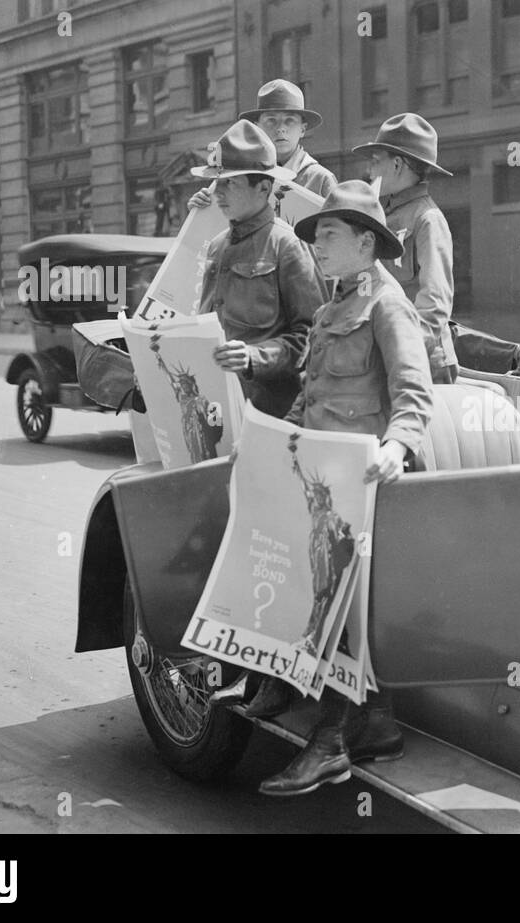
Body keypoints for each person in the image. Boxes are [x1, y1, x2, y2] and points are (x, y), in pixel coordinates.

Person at [250, 180, 433, 797]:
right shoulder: (331, 310)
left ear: (365, 242)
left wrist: (396, 446)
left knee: (334, 604)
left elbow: (414, 394)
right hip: (325, 483)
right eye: (316, 235)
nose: (318, 246)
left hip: (372, 484)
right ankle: (376, 727)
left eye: (328, 235)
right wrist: (284, 441)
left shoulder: (387, 303)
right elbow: (312, 396)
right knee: (324, 600)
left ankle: (328, 745)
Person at [191, 119, 327, 418]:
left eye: (231, 183)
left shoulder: (288, 245)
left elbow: (312, 337)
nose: (218, 193)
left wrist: (254, 357)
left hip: (269, 413)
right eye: (217, 182)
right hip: (217, 410)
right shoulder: (215, 247)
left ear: (264, 187)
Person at [355, 113, 459, 384]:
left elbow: (434, 308)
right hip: (382, 356)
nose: (370, 170)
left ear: (398, 164)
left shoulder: (427, 220)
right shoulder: (378, 214)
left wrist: (398, 348)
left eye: (376, 161)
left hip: (423, 365)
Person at [188, 79, 336, 226]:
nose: (281, 128)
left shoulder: (320, 179)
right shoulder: (239, 174)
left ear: (303, 129)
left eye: (289, 120)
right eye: (271, 120)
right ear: (257, 127)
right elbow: (217, 230)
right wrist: (200, 212)